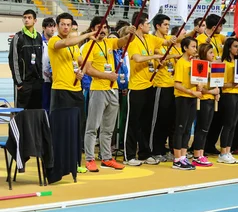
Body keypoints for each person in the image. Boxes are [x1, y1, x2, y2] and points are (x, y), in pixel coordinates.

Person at [82, 17, 133, 172]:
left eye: (105, 27)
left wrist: (130, 33)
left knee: (108, 128)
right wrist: (107, 76)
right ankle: (90, 159)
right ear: (92, 29)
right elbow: (88, 70)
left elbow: (123, 41)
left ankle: (106, 158)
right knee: (93, 127)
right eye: (99, 27)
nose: (102, 30)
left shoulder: (109, 43)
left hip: (113, 89)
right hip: (98, 89)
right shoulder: (88, 47)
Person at [48, 12, 97, 173]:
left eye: (68, 25)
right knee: (61, 129)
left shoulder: (75, 48)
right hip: (61, 90)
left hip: (76, 90)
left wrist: (81, 72)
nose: (66, 27)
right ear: (57, 26)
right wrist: (89, 34)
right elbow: (67, 42)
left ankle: (75, 162)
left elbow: (81, 63)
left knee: (77, 128)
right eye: (63, 24)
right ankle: (58, 162)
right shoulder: (54, 41)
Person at [124, 11, 175, 166]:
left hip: (149, 86)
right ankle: (129, 155)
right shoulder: (132, 41)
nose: (149, 26)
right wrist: (154, 57)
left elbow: (166, 43)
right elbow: (138, 58)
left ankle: (144, 153)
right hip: (136, 87)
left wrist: (174, 39)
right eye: (147, 23)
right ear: (140, 25)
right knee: (133, 123)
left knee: (145, 123)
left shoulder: (149, 38)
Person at [150, 14, 182, 163]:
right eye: (165, 25)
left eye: (169, 25)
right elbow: (159, 55)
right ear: (157, 26)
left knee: (170, 121)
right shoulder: (154, 41)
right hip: (160, 85)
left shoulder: (170, 42)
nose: (167, 27)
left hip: (172, 85)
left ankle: (165, 149)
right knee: (159, 120)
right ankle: (155, 150)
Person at [172, 37, 202, 170]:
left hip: (192, 98)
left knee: (188, 128)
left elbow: (197, 81)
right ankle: (177, 159)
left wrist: (199, 86)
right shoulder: (181, 63)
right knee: (180, 128)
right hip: (183, 98)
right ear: (185, 48)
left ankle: (183, 157)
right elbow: (177, 84)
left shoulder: (194, 63)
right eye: (193, 46)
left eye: (196, 47)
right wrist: (191, 92)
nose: (195, 49)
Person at [190, 44, 218, 167]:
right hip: (203, 101)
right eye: (211, 53)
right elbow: (201, 88)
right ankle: (196, 155)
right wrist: (212, 91)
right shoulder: (199, 66)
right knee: (201, 128)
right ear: (204, 53)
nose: (213, 55)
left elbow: (215, 85)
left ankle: (201, 153)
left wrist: (217, 92)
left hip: (211, 100)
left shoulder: (213, 68)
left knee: (206, 128)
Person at [218, 37, 238, 164]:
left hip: (237, 96)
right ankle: (223, 152)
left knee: (234, 125)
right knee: (228, 124)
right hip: (227, 96)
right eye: (235, 46)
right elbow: (222, 84)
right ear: (229, 47)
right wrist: (235, 85)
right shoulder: (223, 63)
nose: (237, 49)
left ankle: (228, 151)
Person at [9, 10, 43, 109]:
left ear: (35, 20)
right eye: (24, 17)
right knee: (21, 112)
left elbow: (40, 60)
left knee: (35, 112)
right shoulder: (18, 37)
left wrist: (40, 79)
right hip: (24, 83)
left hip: (37, 82)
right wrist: (18, 82)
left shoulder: (38, 37)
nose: (26, 20)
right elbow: (13, 60)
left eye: (29, 18)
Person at [41, 17, 56, 112]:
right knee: (44, 106)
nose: (52, 29)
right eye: (50, 27)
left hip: (54, 80)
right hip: (43, 80)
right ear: (44, 28)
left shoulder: (55, 41)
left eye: (54, 26)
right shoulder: (39, 41)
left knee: (53, 107)